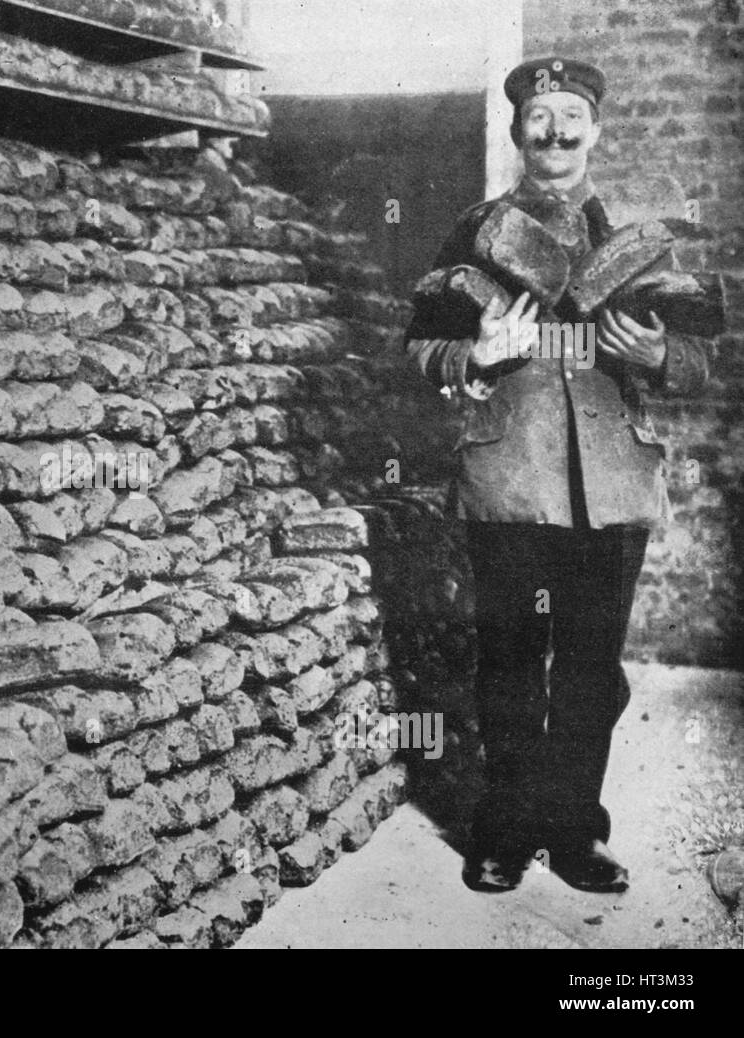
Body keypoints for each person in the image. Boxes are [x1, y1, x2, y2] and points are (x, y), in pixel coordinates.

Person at [403, 57, 711, 893]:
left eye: (572, 116)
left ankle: (575, 834)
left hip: (612, 486)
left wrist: (659, 355)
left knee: (590, 668)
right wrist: (474, 352)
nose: (556, 132)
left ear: (596, 131)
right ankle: (502, 830)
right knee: (508, 659)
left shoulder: (636, 238)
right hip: (511, 481)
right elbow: (418, 347)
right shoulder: (478, 229)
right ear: (517, 131)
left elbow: (704, 355)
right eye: (540, 118)